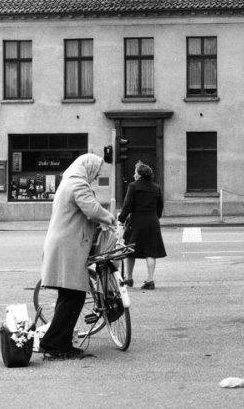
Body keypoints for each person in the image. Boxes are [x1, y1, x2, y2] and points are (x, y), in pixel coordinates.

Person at [39, 153, 115, 360]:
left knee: (69, 296)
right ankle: (54, 344)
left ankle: (57, 342)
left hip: (65, 245)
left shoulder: (69, 181)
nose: (95, 175)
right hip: (68, 247)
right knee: (73, 296)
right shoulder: (77, 185)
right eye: (96, 172)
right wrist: (110, 218)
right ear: (88, 168)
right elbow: (92, 210)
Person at [118, 161, 166, 290]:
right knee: (151, 251)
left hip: (136, 221)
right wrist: (155, 217)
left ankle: (129, 278)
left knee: (130, 250)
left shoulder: (133, 186)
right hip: (152, 221)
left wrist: (121, 219)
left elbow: (127, 205)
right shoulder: (156, 187)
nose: (134, 175)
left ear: (139, 175)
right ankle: (150, 280)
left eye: (135, 172)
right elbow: (160, 206)